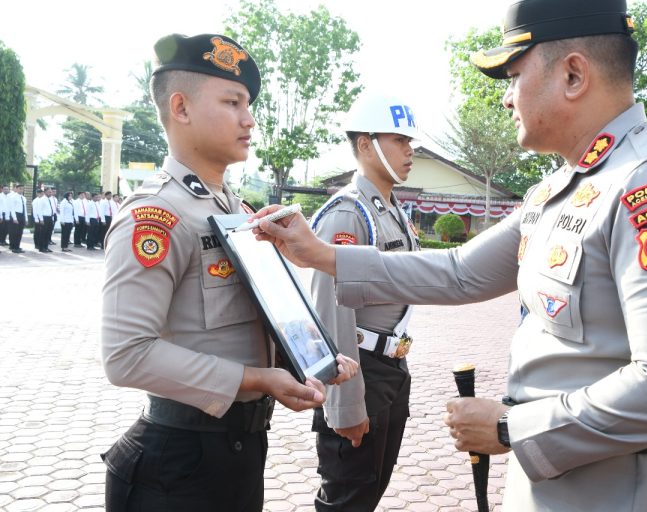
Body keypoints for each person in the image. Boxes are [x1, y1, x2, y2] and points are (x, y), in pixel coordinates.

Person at [252, 0, 647, 510]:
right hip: (560, 478)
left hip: (627, 489)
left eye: (513, 77)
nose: (507, 100)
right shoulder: (562, 189)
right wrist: (320, 255)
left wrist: (513, 427)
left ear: (574, 75)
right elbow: (461, 271)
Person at [100, 32, 357, 512]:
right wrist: (259, 380)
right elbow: (126, 356)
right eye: (233, 101)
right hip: (176, 464)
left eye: (248, 103)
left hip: (236, 451)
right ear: (181, 108)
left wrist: (305, 363)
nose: (249, 118)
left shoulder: (235, 211)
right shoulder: (156, 214)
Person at [308, 92, 421, 511]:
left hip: (390, 369)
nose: (409, 150)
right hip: (359, 371)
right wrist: (345, 402)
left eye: (411, 141)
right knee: (347, 497)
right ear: (364, 145)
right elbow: (331, 309)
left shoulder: (391, 210)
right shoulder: (349, 214)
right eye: (398, 140)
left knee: (368, 492)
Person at [6, 184, 27, 253]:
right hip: (15, 215)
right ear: (16, 189)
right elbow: (12, 208)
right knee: (14, 232)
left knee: (20, 233)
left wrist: (26, 218)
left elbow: (25, 209)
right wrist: (14, 218)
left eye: (22, 189)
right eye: (20, 188)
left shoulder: (23, 198)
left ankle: (16, 246)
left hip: (22, 216)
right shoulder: (13, 197)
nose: (21, 190)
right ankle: (14, 247)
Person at [32, 189, 53, 253]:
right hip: (44, 218)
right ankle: (41, 248)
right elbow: (39, 210)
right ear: (45, 192)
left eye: (51, 192)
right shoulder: (42, 199)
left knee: (48, 233)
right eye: (49, 192)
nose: (51, 193)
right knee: (43, 234)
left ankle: (46, 247)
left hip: (49, 218)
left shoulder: (48, 199)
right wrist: (41, 219)